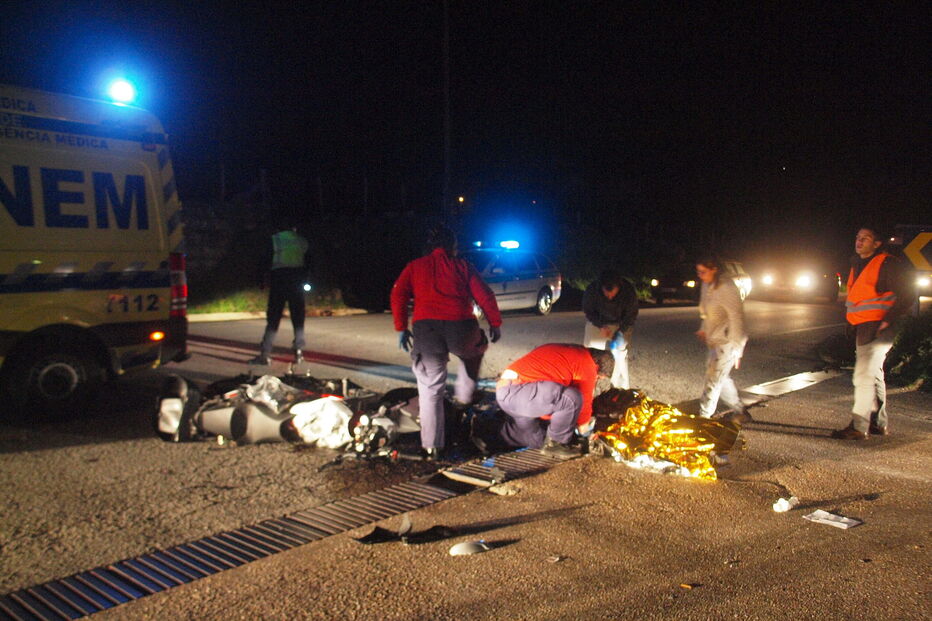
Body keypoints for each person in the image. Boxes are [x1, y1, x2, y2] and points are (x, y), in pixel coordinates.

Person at [390, 224, 502, 460]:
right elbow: (485, 295)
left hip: (427, 329)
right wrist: (495, 323)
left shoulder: (415, 266)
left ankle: (432, 446)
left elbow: (398, 294)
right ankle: (464, 397)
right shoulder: (463, 266)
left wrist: (402, 328)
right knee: (474, 351)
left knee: (430, 389)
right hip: (462, 327)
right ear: (452, 246)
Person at [832, 225, 912, 440]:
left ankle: (859, 427)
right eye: (858, 237)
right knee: (873, 374)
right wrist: (851, 323)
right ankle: (878, 423)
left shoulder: (887, 263)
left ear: (877, 244)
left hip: (879, 327)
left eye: (865, 238)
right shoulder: (857, 263)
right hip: (864, 327)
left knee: (863, 376)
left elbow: (907, 294)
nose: (859, 241)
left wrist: (888, 320)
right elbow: (858, 297)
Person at [492, 343, 615, 459]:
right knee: (572, 398)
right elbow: (584, 400)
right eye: (598, 377)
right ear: (597, 366)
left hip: (508, 395)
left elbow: (550, 399)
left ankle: (484, 433)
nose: (596, 379)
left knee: (538, 440)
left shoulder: (570, 351)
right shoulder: (587, 363)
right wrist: (584, 430)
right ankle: (556, 444)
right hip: (520, 392)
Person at [695, 255, 751, 423]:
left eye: (703, 271)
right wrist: (704, 329)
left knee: (713, 379)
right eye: (698, 271)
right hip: (714, 339)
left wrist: (737, 348)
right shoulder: (707, 284)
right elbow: (705, 311)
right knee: (720, 377)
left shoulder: (727, 287)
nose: (700, 275)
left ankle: (703, 419)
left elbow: (736, 317)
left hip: (726, 342)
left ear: (714, 270)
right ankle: (740, 409)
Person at [249, 219, 309, 366]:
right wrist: (306, 280)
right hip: (297, 283)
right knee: (298, 318)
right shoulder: (302, 241)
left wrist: (261, 280)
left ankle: (265, 354)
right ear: (294, 228)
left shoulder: (275, 240)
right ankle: (299, 353)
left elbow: (264, 261)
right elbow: (310, 262)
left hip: (279, 282)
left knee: (273, 318)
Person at [582, 269, 639, 389]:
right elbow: (588, 311)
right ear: (601, 287)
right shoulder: (592, 290)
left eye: (612, 293)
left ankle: (621, 389)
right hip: (598, 322)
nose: (609, 296)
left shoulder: (628, 291)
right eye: (606, 293)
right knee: (590, 355)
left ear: (619, 287)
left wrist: (620, 333)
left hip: (620, 323)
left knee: (620, 355)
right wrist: (601, 325)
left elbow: (631, 316)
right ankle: (588, 386)